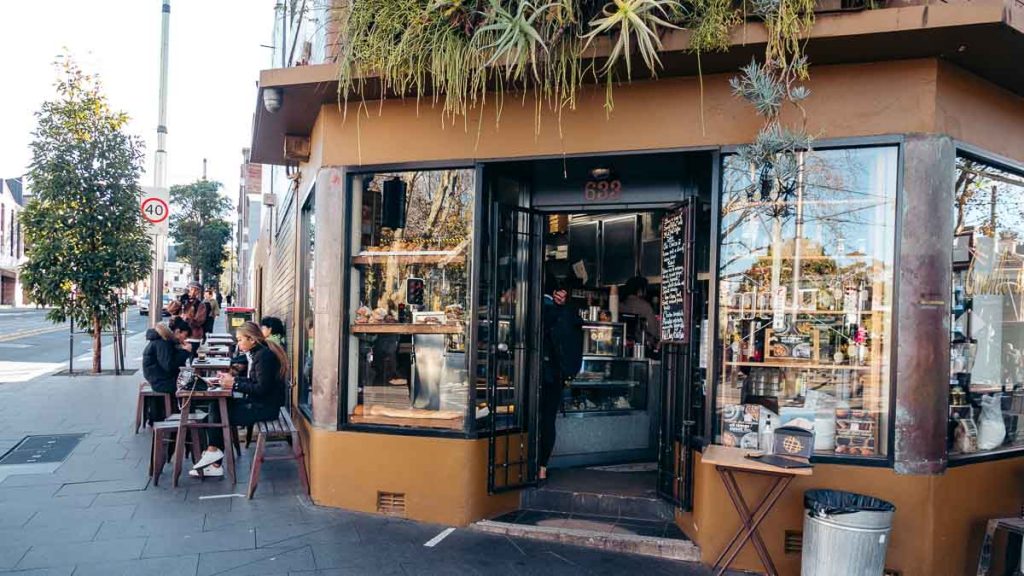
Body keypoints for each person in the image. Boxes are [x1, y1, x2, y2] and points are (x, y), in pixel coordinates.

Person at [190, 322, 289, 477]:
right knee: (217, 405)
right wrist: (230, 380)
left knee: (220, 414)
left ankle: (214, 456)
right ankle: (214, 455)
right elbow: (254, 382)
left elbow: (262, 389)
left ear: (252, 339)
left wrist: (234, 384)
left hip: (266, 409)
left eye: (240, 339)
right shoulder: (258, 354)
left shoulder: (264, 357)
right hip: (259, 404)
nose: (238, 343)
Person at [538, 272, 584, 481]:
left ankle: (529, 463)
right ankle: (542, 467)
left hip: (536, 374)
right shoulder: (569, 312)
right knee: (548, 420)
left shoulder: (537, 310)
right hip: (556, 375)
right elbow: (576, 342)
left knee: (532, 419)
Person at [141, 317, 192, 422]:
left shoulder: (163, 341)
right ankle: (184, 421)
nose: (185, 339)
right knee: (189, 388)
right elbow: (168, 365)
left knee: (190, 382)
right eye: (185, 336)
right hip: (160, 381)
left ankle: (182, 418)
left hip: (159, 378)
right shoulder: (162, 343)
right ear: (178, 332)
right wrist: (185, 352)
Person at [620, 276, 661, 348]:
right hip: (641, 347)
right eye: (645, 289)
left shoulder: (619, 305)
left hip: (621, 345)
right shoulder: (645, 306)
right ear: (639, 291)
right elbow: (653, 331)